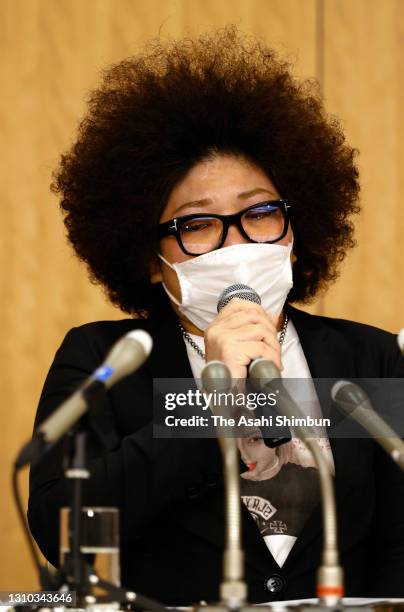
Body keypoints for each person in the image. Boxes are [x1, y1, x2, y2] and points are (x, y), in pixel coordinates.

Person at [28, 27, 404, 605]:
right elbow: (64, 530)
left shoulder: (368, 358)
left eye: (259, 212)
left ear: (295, 234)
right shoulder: (109, 361)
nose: (235, 244)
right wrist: (212, 406)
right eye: (197, 224)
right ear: (151, 261)